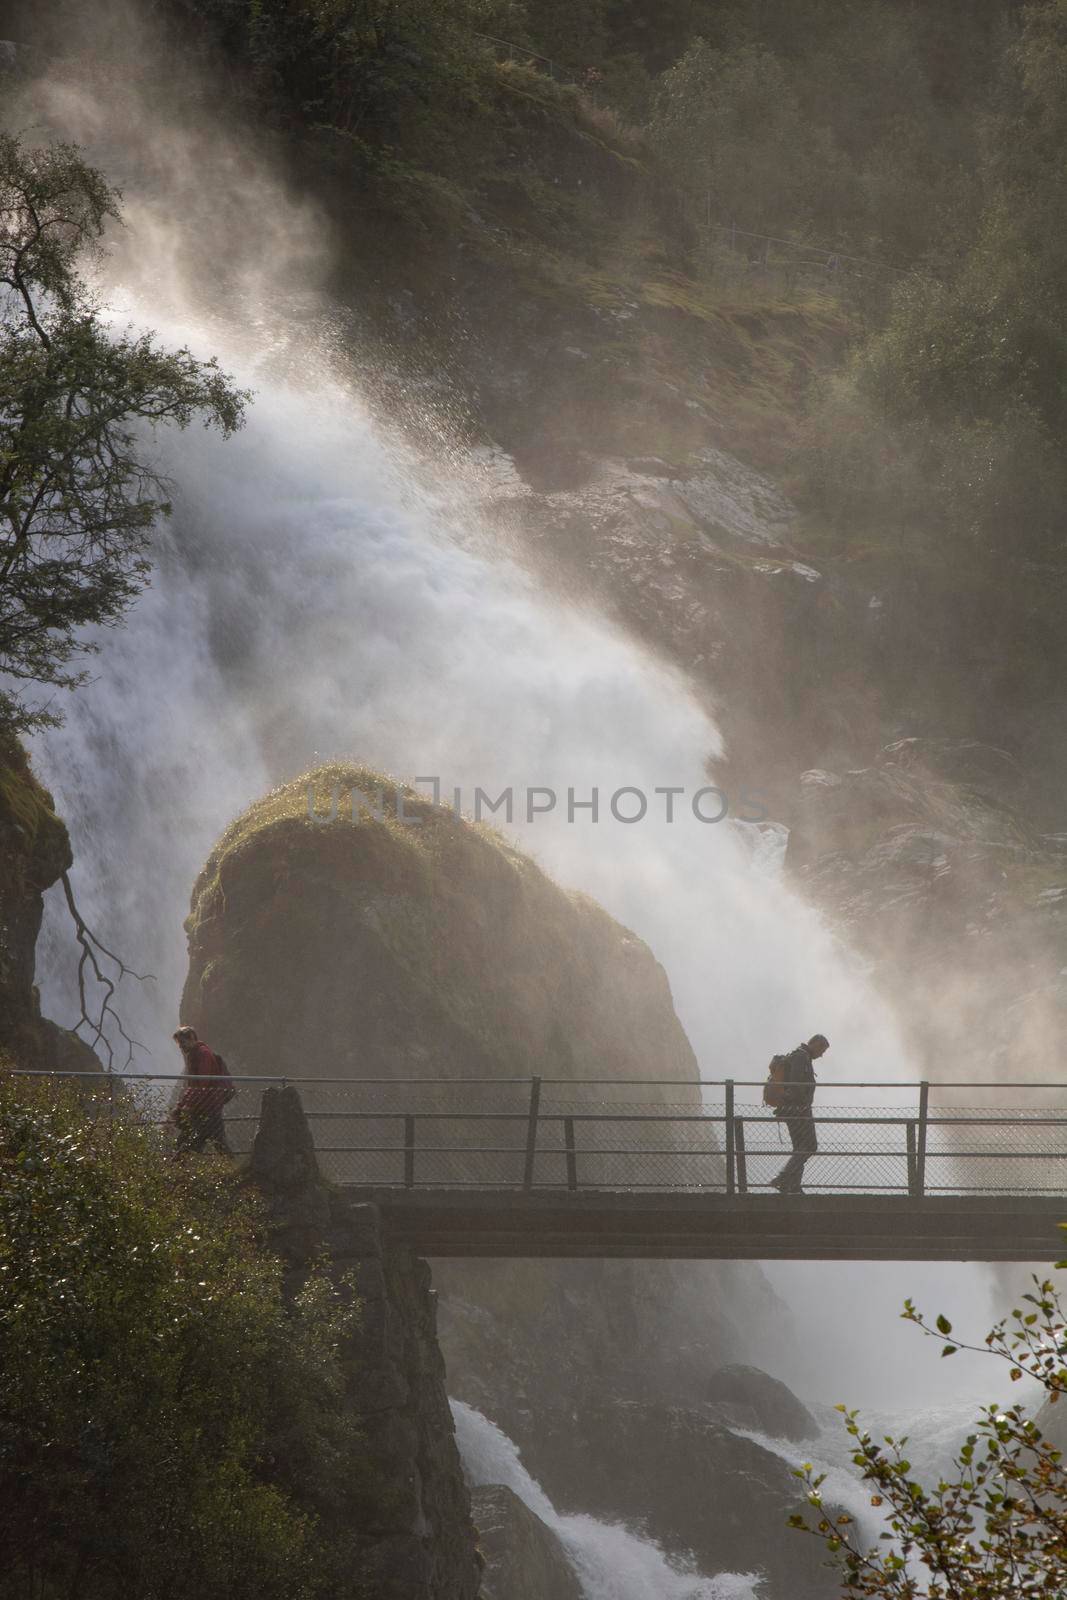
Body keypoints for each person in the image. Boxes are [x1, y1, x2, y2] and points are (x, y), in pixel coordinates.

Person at [769, 1034, 829, 1194]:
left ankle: (792, 1185)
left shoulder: (799, 1056)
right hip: (798, 1110)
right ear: (815, 1044)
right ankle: (783, 1178)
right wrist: (802, 1105)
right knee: (810, 1146)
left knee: (800, 1147)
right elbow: (796, 1084)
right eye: (822, 1050)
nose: (821, 1054)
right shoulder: (801, 1057)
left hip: (792, 1109)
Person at [171, 1025, 233, 1155]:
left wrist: (186, 1106)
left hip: (207, 1106)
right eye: (179, 1044)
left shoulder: (203, 1054)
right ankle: (232, 1168)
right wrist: (181, 1105)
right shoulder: (195, 1055)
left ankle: (178, 1163)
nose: (181, 1047)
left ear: (192, 1038)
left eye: (182, 1043)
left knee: (195, 1139)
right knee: (216, 1141)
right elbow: (194, 1086)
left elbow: (201, 1085)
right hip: (208, 1106)